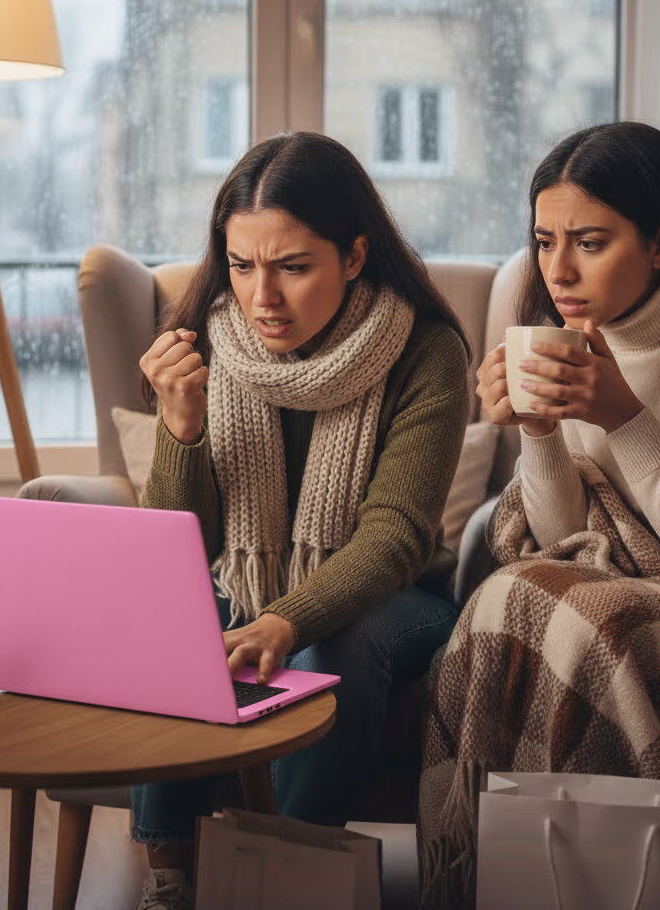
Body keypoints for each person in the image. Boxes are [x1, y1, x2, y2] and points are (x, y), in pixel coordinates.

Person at [419, 120, 660, 908]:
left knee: (586, 622)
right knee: (510, 598)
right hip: (636, 594)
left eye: (590, 242)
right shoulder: (565, 339)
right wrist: (539, 431)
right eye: (543, 241)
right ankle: (487, 879)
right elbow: (567, 542)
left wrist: (626, 417)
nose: (558, 269)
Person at [132, 130, 471, 910]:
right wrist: (181, 426)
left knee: (335, 641)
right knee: (175, 616)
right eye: (243, 265)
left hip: (399, 598)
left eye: (292, 267)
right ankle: (170, 875)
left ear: (354, 256)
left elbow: (394, 536)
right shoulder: (205, 343)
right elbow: (186, 551)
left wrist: (287, 616)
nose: (262, 298)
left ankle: (286, 874)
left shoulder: (427, 351)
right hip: (248, 579)